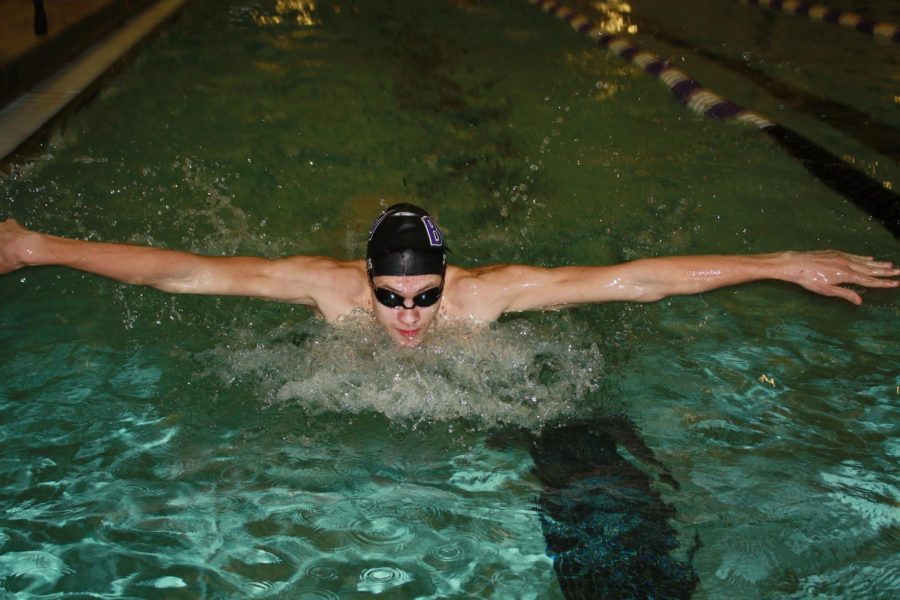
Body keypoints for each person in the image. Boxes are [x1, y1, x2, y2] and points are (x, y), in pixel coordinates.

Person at [1, 203, 897, 346]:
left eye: (423, 297)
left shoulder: (485, 295)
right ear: (364, 278)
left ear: (449, 277)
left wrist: (780, 264)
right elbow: (185, 274)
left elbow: (639, 279)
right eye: (389, 297)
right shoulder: (324, 287)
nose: (407, 317)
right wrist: (39, 247)